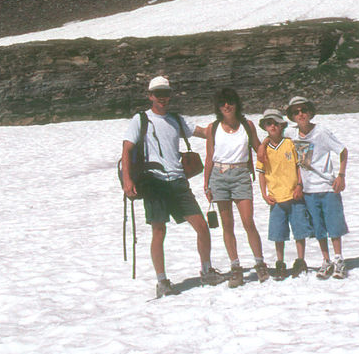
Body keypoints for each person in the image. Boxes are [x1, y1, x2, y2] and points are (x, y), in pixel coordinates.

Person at [120, 75, 224, 297]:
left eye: (166, 93)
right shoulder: (140, 119)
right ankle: (162, 281)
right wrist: (127, 180)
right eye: (158, 94)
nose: (163, 98)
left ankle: (206, 271)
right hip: (154, 181)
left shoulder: (176, 119)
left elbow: (205, 132)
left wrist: (228, 121)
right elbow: (127, 149)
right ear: (150, 96)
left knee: (202, 227)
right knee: (159, 230)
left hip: (177, 181)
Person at [202, 87, 270, 286]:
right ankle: (236, 267)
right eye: (223, 103)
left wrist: (270, 141)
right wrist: (206, 184)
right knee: (227, 225)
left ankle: (260, 263)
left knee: (248, 222)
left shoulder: (247, 125)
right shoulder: (213, 128)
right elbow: (209, 157)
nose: (227, 106)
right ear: (218, 106)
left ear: (237, 104)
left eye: (230, 102)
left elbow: (258, 148)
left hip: (241, 175)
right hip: (219, 176)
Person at [285, 95, 349, 280]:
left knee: (334, 226)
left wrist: (341, 176)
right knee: (318, 228)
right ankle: (326, 260)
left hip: (327, 187)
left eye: (304, 110)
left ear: (310, 111)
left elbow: (343, 151)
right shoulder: (292, 134)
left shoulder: (321, 132)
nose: (301, 114)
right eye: (296, 112)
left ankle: (338, 259)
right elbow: (273, 137)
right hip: (308, 190)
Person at [255, 108, 310, 278]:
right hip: (276, 198)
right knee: (278, 233)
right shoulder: (263, 150)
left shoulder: (291, 143)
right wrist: (264, 194)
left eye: (275, 123)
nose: (272, 126)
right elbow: (262, 173)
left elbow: (303, 164)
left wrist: (300, 185)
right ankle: (280, 262)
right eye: (268, 123)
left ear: (282, 125)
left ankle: (300, 261)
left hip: (294, 195)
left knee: (299, 231)